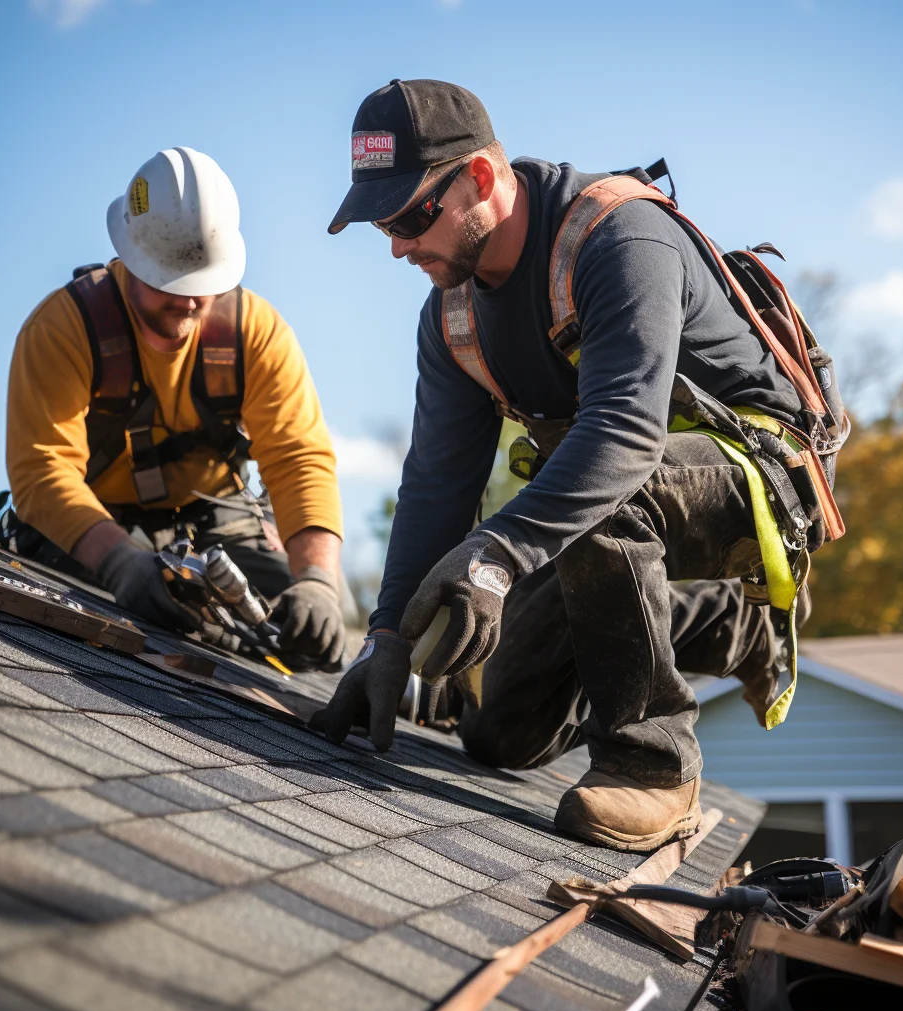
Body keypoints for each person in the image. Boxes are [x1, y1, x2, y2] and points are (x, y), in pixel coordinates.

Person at [323, 80, 823, 850]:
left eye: (411, 216)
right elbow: (436, 482)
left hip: (756, 467)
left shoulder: (619, 240)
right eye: (381, 223)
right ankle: (726, 626)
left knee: (605, 487)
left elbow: (623, 435)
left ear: (481, 181)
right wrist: (386, 635)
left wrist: (493, 559)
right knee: (499, 735)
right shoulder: (453, 316)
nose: (396, 244)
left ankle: (654, 764)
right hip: (615, 495)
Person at [4, 146, 346, 668]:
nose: (188, 301)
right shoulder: (63, 329)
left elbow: (299, 458)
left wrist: (318, 581)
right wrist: (119, 563)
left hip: (211, 516)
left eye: (203, 285)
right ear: (130, 259)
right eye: (169, 283)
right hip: (94, 520)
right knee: (72, 611)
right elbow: (40, 469)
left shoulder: (253, 333)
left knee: (292, 637)